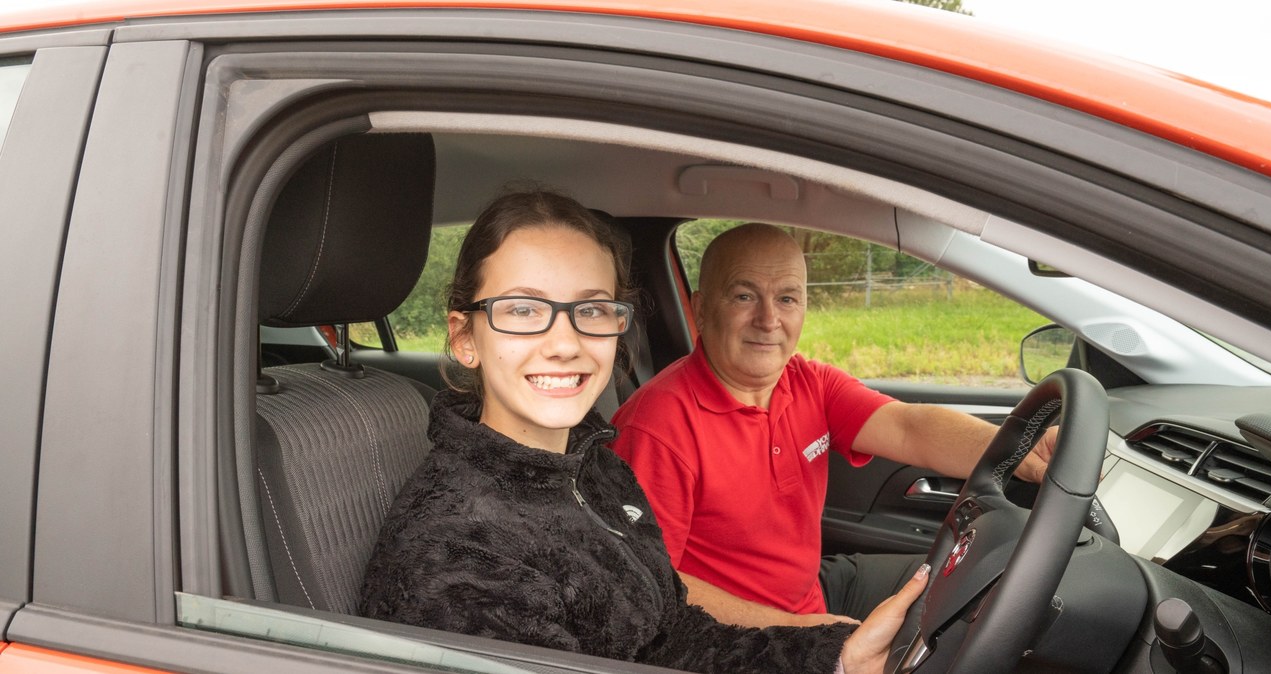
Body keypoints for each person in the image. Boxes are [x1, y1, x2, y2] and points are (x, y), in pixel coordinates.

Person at [359, 192, 929, 674]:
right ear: (464, 337)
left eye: (592, 310)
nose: (564, 342)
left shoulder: (596, 469)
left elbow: (669, 633)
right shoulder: (460, 559)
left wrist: (834, 655)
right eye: (524, 310)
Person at [611, 222, 1056, 628]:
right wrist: (810, 632)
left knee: (984, 579)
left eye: (787, 298)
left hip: (810, 594)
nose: (769, 320)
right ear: (702, 310)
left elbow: (907, 427)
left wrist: (1023, 450)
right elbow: (651, 582)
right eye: (744, 295)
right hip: (736, 635)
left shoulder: (808, 381)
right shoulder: (657, 428)